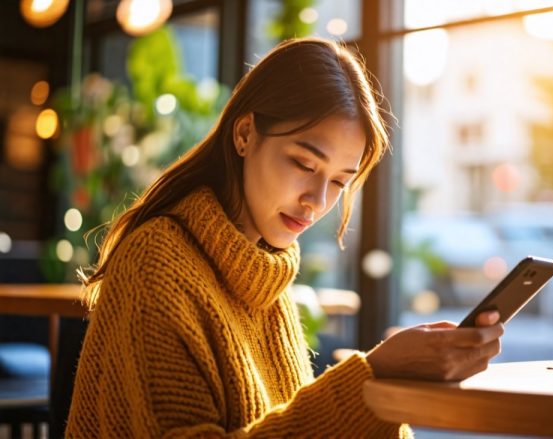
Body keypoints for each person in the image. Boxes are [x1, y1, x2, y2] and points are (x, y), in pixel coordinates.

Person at [66, 37, 504, 438]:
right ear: (244, 134)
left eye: (339, 182)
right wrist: (371, 377)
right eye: (304, 164)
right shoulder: (156, 262)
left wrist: (393, 384)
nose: (316, 200)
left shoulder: (266, 276)